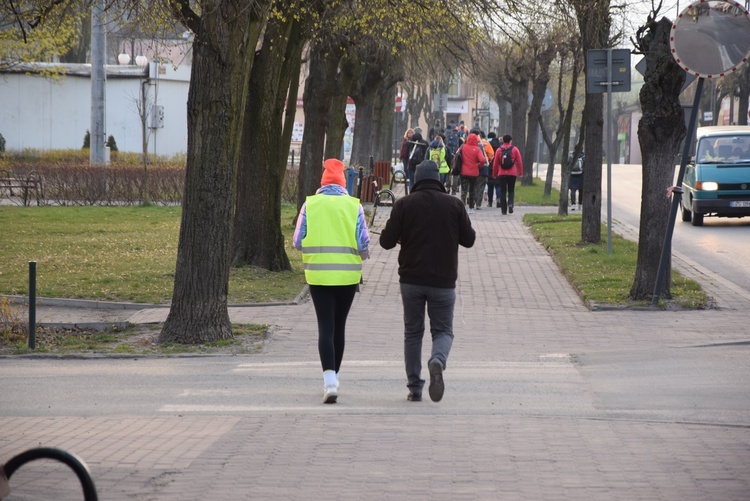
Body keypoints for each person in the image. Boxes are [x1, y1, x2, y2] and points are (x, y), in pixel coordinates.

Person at [379, 160, 476, 402]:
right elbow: (469, 239)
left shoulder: (403, 204)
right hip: (443, 282)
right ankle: (437, 360)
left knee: (413, 332)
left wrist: (397, 232)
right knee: (443, 330)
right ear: (439, 180)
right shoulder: (454, 204)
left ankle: (414, 387)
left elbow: (386, 242)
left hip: (410, 280)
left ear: (416, 180)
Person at [293, 158, 371, 404]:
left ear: (323, 182)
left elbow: (297, 241)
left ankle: (329, 383)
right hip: (348, 275)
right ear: (343, 183)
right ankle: (335, 377)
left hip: (318, 275)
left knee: (325, 326)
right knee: (339, 326)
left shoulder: (310, 205)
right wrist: (362, 255)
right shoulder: (354, 206)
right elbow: (364, 243)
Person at [492, 134, 523, 214]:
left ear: (503, 141)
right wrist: (520, 172)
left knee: (503, 191)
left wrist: (494, 174)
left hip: (501, 173)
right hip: (512, 173)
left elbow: (495, 163)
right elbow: (519, 162)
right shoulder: (515, 149)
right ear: (510, 141)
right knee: (511, 190)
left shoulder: (499, 150)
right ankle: (510, 204)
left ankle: (503, 210)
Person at [458, 132, 486, 213]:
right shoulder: (477, 149)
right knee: (472, 190)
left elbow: (457, 155)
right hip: (474, 172)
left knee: (463, 189)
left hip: (463, 171)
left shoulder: (463, 147)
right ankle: (471, 207)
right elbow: (482, 160)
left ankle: (462, 206)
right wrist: (478, 166)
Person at [486, 132, 502, 207]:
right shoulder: (499, 145)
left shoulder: (487, 145)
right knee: (498, 185)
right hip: (498, 167)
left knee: (490, 185)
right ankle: (498, 199)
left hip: (489, 166)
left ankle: (490, 202)